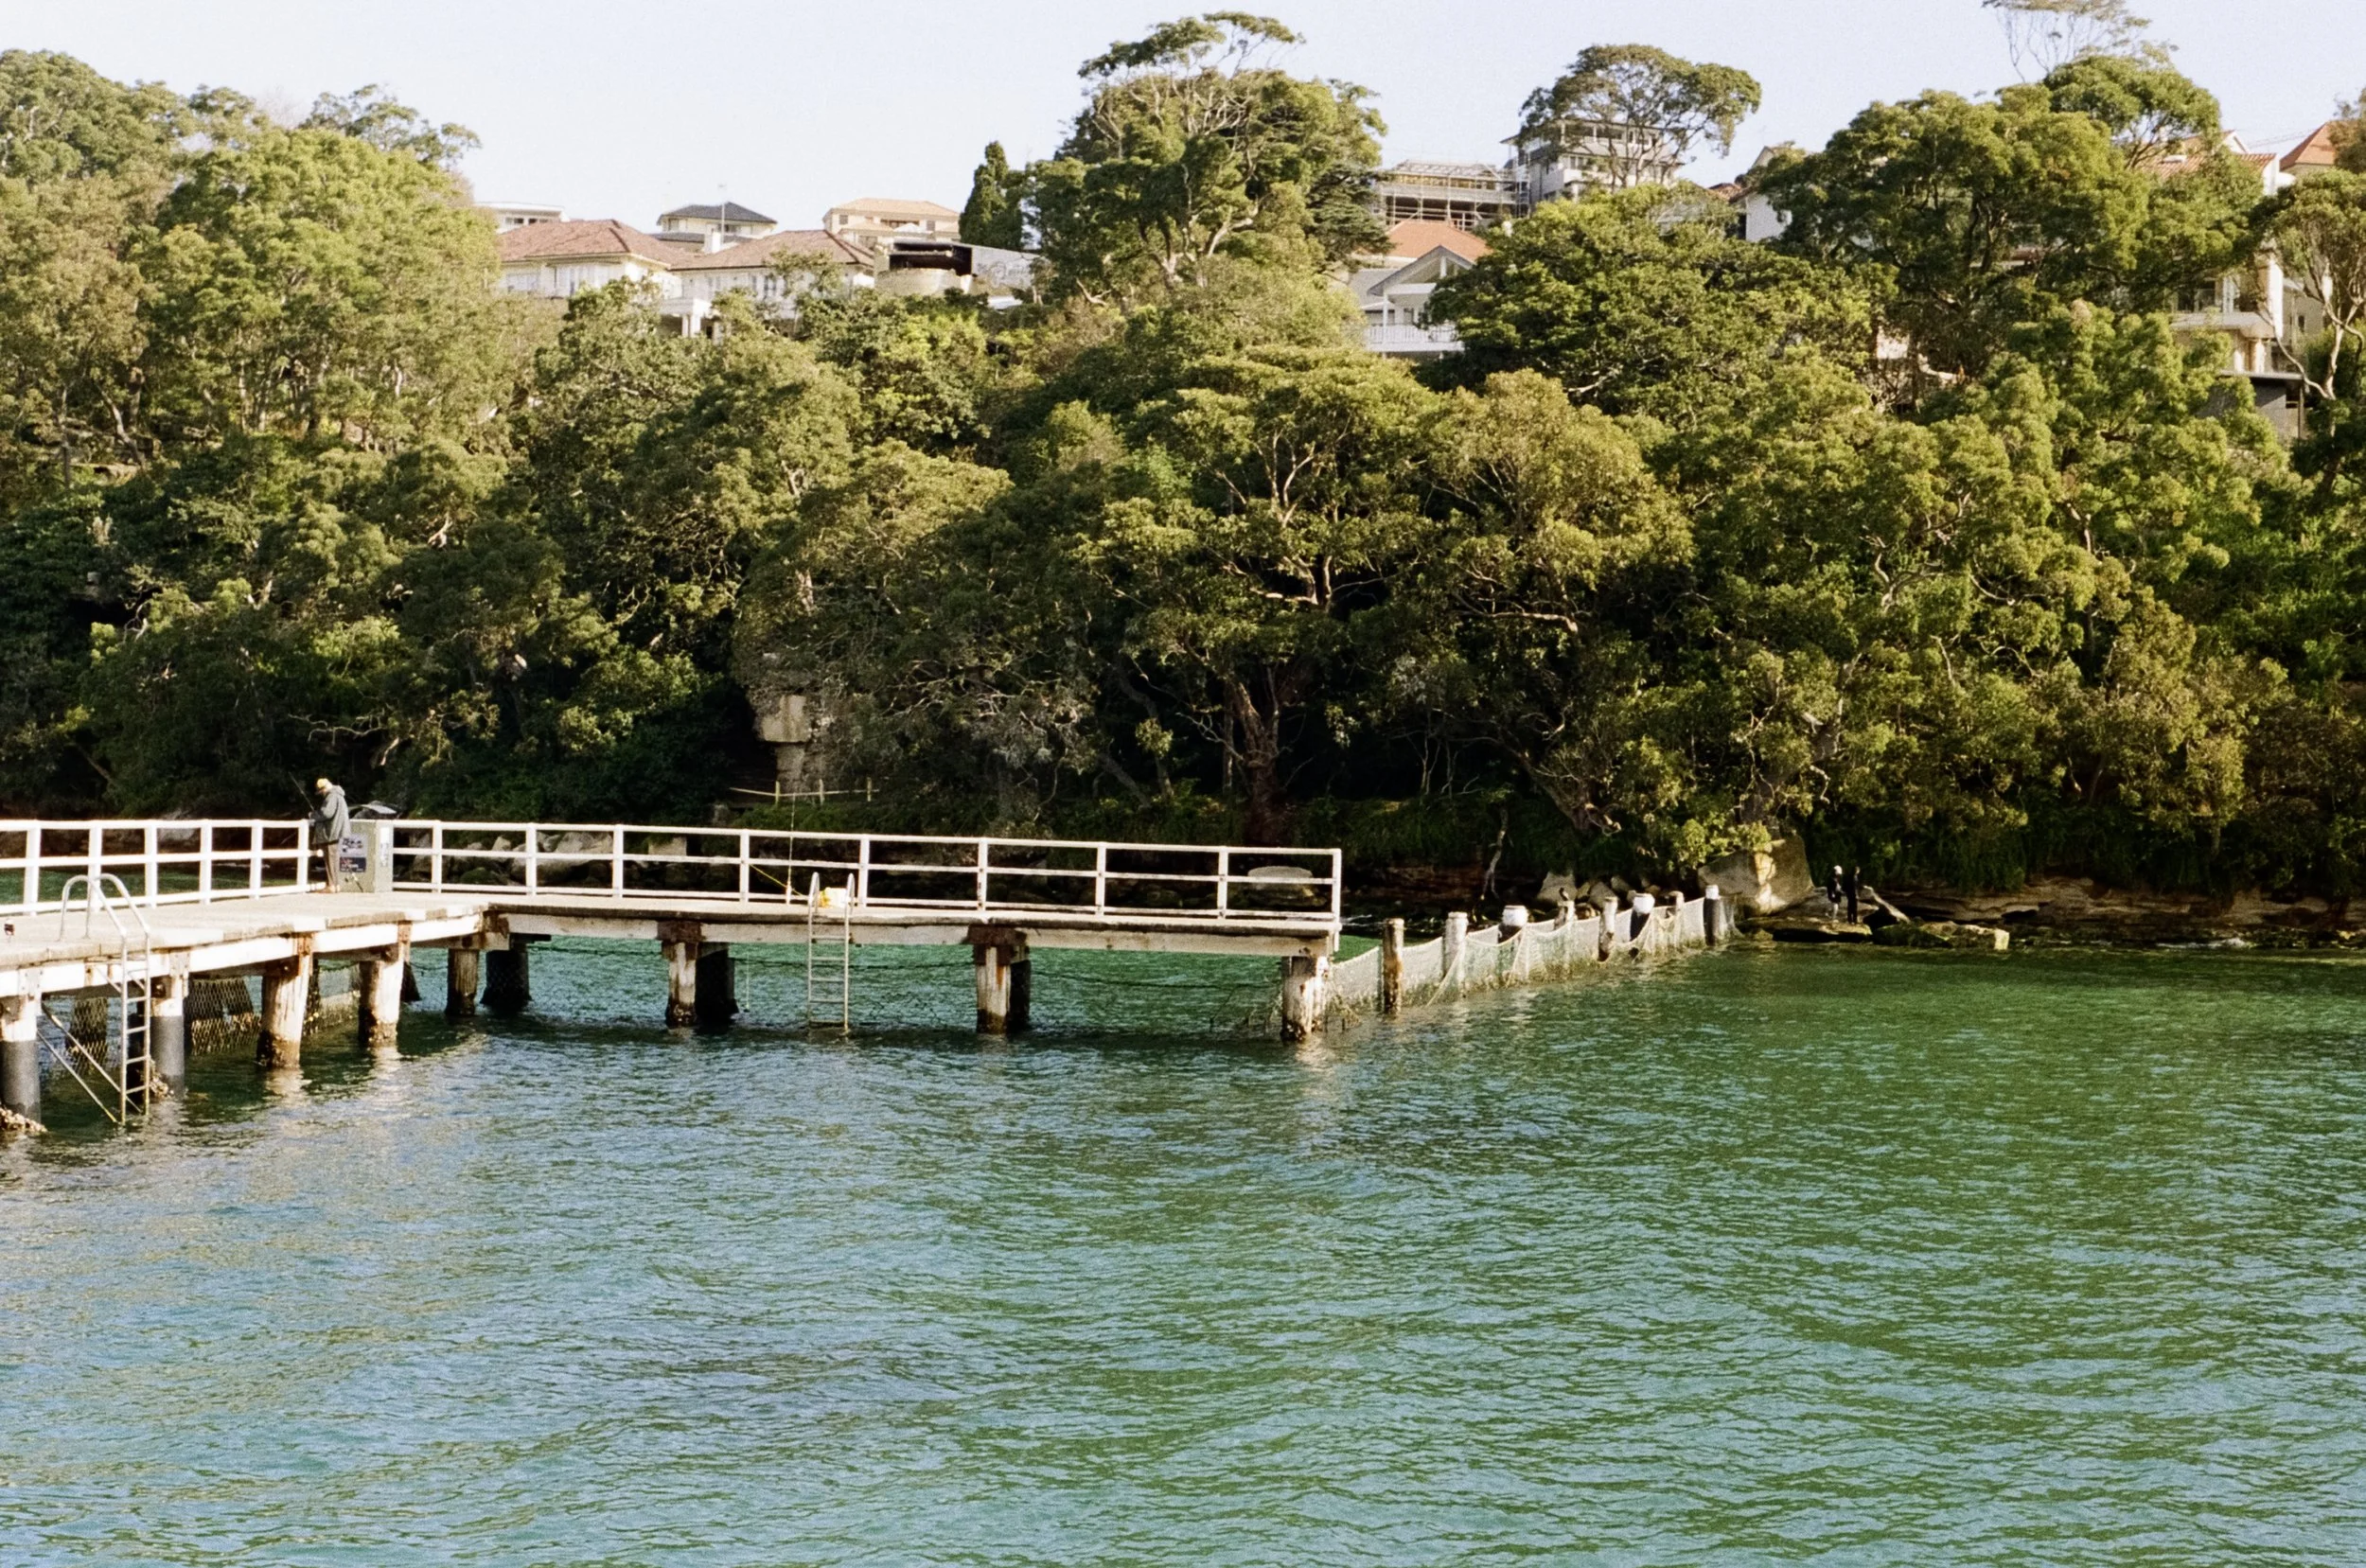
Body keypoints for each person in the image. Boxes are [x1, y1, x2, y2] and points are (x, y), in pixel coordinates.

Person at [311, 777, 350, 892]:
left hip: (332, 833)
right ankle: (336, 885)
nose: (322, 794)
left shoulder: (332, 796)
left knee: (330, 860)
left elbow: (327, 813)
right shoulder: (338, 795)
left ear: (324, 788)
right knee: (334, 859)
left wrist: (314, 815)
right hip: (337, 832)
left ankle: (332, 885)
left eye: (321, 791)